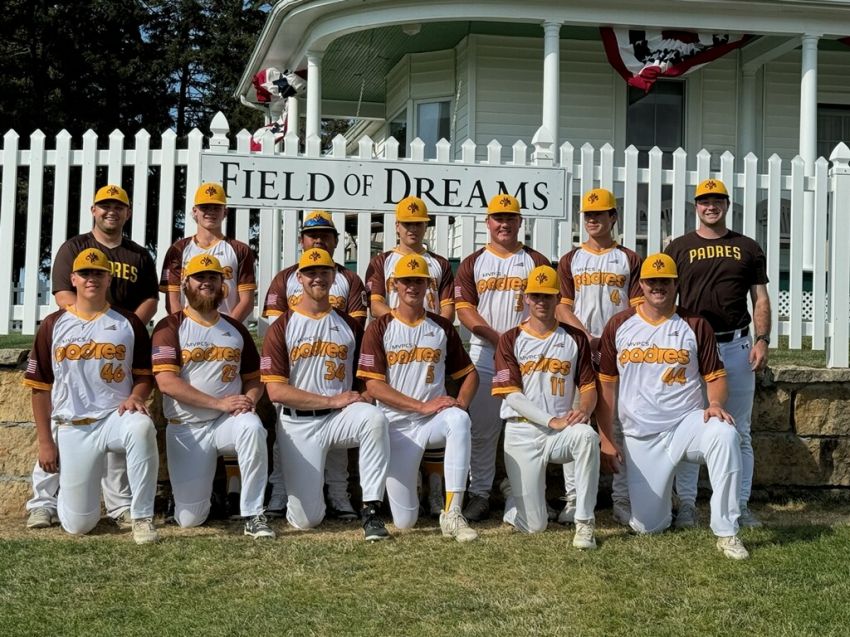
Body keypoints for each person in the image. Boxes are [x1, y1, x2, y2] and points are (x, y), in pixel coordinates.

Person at [596, 253, 749, 560]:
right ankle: (664, 512)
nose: (658, 287)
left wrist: (716, 402)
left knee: (725, 434)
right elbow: (606, 386)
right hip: (641, 436)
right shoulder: (620, 324)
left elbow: (715, 377)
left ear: (676, 284)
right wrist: (606, 437)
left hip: (685, 424)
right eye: (652, 281)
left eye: (665, 281)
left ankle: (727, 531)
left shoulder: (695, 324)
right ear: (641, 285)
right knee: (648, 526)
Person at [27, 184, 159, 530]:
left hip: (117, 360)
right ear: (93, 210)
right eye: (104, 206)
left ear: (127, 212)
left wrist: (122, 326)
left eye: (118, 206)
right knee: (77, 523)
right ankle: (43, 504)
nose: (111, 211)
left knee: (132, 429)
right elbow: (39, 387)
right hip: (76, 403)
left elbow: (150, 298)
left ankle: (129, 511)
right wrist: (88, 323)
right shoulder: (74, 248)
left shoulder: (138, 255)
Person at [260, 248, 392, 541]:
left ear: (334, 276)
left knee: (374, 419)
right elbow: (276, 391)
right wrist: (333, 400)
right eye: (311, 272)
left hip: (340, 418)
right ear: (299, 278)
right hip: (299, 424)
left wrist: (363, 397)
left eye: (324, 271)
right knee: (307, 520)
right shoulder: (282, 326)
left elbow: (365, 379)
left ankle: (371, 510)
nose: (317, 278)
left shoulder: (350, 325)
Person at [665, 178, 771, 529]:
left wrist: (762, 339)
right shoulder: (677, 248)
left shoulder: (748, 246)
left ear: (727, 204)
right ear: (696, 206)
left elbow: (760, 298)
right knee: (691, 427)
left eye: (717, 201)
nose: (711, 206)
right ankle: (688, 506)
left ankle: (738, 506)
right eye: (704, 201)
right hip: (693, 348)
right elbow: (662, 298)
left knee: (740, 431)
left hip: (737, 345)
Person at [358, 253, 479, 542]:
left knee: (459, 420)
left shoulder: (441, 327)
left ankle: (453, 512)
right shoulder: (379, 327)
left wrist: (459, 403)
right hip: (395, 427)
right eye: (406, 281)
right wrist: (421, 405)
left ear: (429, 286)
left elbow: (470, 374)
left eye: (419, 281)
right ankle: (418, 490)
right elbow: (374, 387)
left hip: (433, 421)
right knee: (406, 520)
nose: (412, 287)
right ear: (394, 286)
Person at [151, 254, 273, 539]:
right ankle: (208, 499)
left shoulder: (236, 328)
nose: (206, 283)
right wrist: (220, 402)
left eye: (213, 278)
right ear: (186, 284)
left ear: (222, 285)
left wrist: (249, 401)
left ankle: (253, 513)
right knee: (190, 519)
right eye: (200, 277)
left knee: (252, 427)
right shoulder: (170, 327)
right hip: (187, 428)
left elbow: (254, 379)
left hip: (226, 422)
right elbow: (167, 383)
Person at [262, 210, 368, 521]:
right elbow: (276, 328)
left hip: (334, 365)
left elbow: (355, 331)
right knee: (287, 436)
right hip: (298, 370)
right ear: (302, 240)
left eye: (325, 234)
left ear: (335, 240)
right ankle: (281, 492)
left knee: (338, 445)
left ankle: (338, 495)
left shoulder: (349, 279)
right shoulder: (286, 277)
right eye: (312, 234)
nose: (318, 239)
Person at [454, 193, 550, 521]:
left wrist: (517, 343)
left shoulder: (535, 260)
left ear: (520, 222)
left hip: (529, 355)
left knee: (533, 425)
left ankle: (530, 492)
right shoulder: (474, 262)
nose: (504, 224)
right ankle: (480, 492)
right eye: (498, 218)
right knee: (482, 429)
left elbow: (550, 306)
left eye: (510, 218)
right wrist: (499, 339)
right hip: (485, 353)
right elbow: (464, 310)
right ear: (488, 222)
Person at [493, 265, 601, 548]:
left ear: (558, 299)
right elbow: (512, 396)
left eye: (547, 296)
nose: (541, 301)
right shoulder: (510, 338)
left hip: (559, 435)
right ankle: (513, 503)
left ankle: (584, 522)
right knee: (535, 526)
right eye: (536, 296)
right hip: (522, 432)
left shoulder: (575, 338)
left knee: (587, 436)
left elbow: (589, 387)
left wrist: (586, 411)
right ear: (526, 298)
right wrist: (551, 420)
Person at [555, 188, 642, 526]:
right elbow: (562, 305)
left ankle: (622, 499)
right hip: (580, 351)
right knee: (575, 420)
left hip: (618, 351)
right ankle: (574, 499)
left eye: (599, 214)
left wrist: (607, 337)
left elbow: (637, 307)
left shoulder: (629, 258)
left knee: (618, 425)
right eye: (587, 215)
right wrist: (585, 337)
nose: (592, 220)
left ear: (613, 218)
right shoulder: (570, 260)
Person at [365, 195, 456, 517]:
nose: (413, 230)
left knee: (437, 406)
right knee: (398, 408)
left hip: (432, 342)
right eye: (407, 224)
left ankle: (435, 487)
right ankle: (405, 483)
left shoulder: (440, 263)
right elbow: (374, 304)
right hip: (396, 342)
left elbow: (447, 307)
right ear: (397, 226)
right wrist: (401, 320)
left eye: (419, 224)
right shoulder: (382, 261)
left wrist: (432, 328)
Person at [160, 182, 256, 321]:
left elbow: (247, 301)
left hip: (226, 329)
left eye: (216, 208)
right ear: (195, 211)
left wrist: (227, 327)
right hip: (188, 328)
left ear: (225, 212)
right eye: (204, 207)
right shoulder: (178, 250)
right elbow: (172, 300)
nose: (210, 212)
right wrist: (184, 326)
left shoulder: (240, 250)